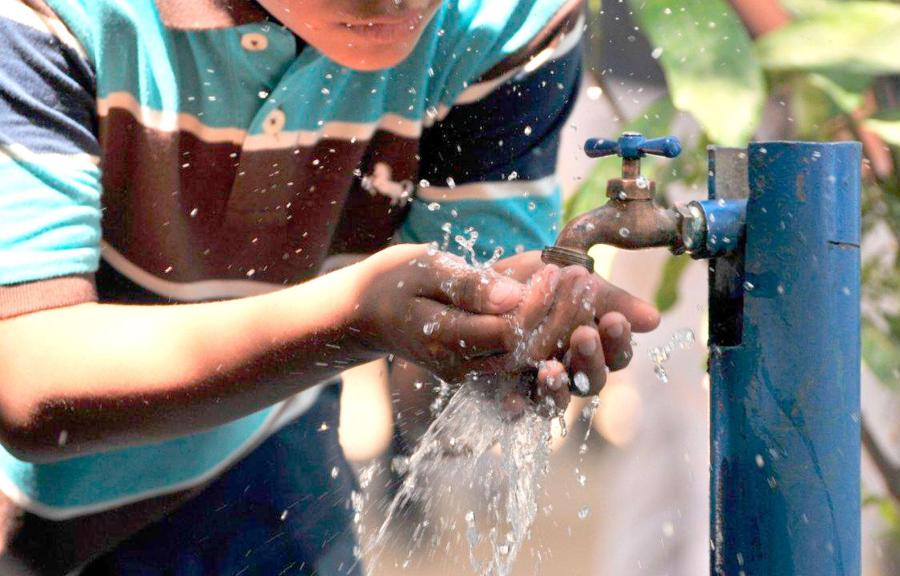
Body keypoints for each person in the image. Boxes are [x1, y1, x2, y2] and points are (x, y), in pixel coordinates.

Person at [0, 0, 659, 573]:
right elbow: (28, 374)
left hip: (260, 453)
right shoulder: (58, 14)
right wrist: (349, 321)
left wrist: (504, 342)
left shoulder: (501, 18)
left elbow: (435, 393)